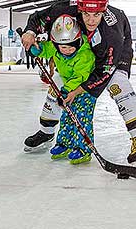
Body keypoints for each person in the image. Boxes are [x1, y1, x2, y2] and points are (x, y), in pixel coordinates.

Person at [21, 0, 136, 168]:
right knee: (56, 87)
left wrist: (78, 91)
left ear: (104, 10)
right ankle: (46, 132)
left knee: (120, 88)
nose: (91, 21)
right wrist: (29, 33)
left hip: (112, 54)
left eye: (97, 15)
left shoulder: (111, 33)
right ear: (80, 8)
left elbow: (103, 71)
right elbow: (37, 18)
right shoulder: (65, 9)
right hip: (79, 52)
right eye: (86, 14)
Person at [29, 14, 96, 164]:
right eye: (62, 47)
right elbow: (47, 49)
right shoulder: (57, 47)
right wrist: (38, 50)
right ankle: (64, 143)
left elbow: (80, 77)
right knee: (66, 117)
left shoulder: (85, 55)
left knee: (81, 117)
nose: (66, 50)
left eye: (71, 46)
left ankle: (83, 148)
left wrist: (67, 90)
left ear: (79, 40)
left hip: (83, 89)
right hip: (67, 88)